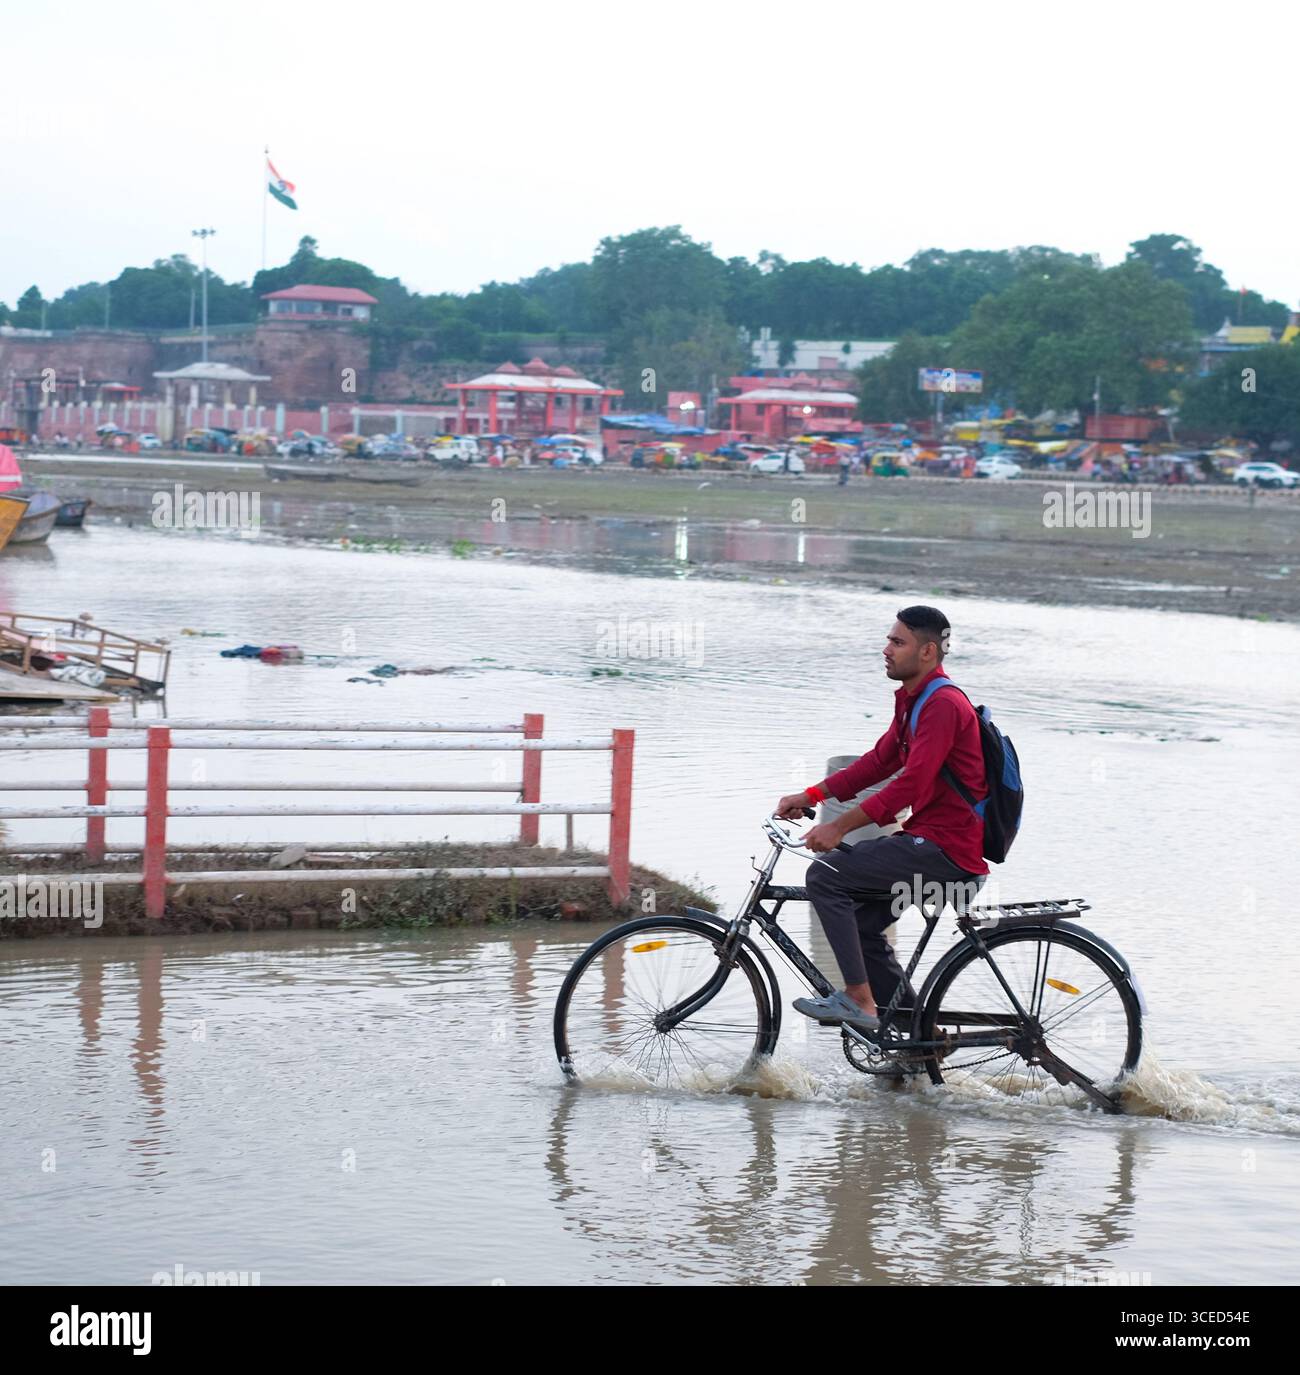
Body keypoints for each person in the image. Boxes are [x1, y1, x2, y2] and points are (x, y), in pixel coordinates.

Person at [774, 605, 989, 1032]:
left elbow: (909, 785)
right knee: (861, 925)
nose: (886, 649)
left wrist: (838, 826)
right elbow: (877, 763)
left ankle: (858, 1000)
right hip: (929, 843)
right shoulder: (915, 700)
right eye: (888, 640)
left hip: (946, 852)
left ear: (927, 651)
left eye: (897, 642)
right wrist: (812, 794)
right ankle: (917, 1043)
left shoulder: (943, 704)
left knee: (825, 877)